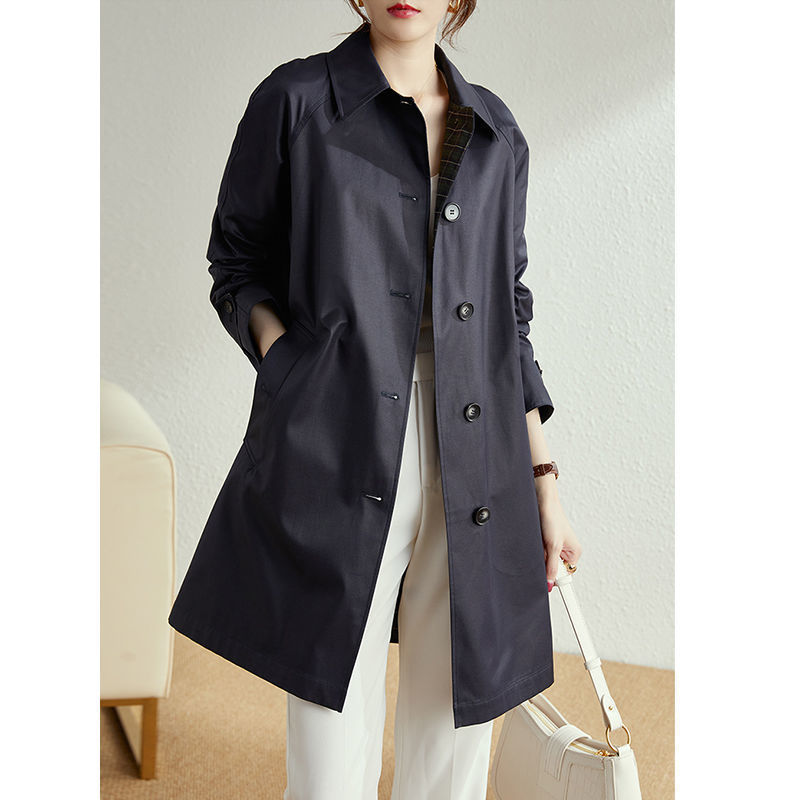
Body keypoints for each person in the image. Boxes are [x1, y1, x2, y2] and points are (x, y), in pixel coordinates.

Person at [170, 1, 582, 798]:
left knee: (455, 717)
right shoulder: (295, 102)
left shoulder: (493, 130)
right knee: (329, 704)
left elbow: (510, 312)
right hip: (340, 428)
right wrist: (292, 365)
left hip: (477, 446)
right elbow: (237, 261)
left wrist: (544, 480)